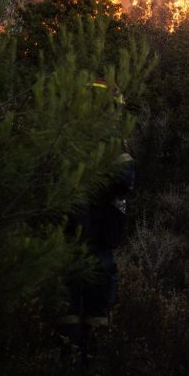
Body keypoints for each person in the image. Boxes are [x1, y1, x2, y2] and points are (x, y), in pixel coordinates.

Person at [58, 79, 135, 360]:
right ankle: (80, 368)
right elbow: (125, 178)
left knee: (87, 315)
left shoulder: (72, 139)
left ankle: (81, 368)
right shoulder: (103, 142)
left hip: (90, 242)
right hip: (86, 243)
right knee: (79, 313)